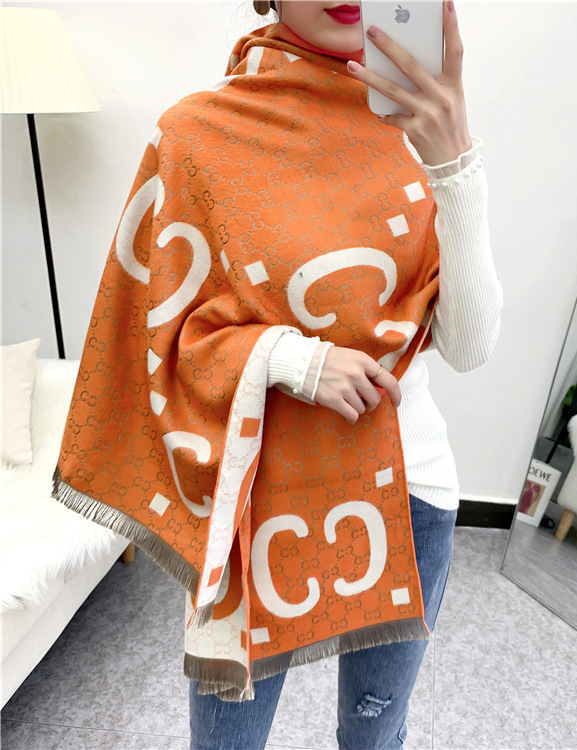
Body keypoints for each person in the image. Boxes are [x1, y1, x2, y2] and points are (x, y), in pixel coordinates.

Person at [53, 1, 502, 748]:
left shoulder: (416, 127)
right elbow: (156, 334)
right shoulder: (198, 136)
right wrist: (297, 361)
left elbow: (470, 346)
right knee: (226, 741)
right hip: (259, 498)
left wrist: (455, 160)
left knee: (374, 735)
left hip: (409, 489)